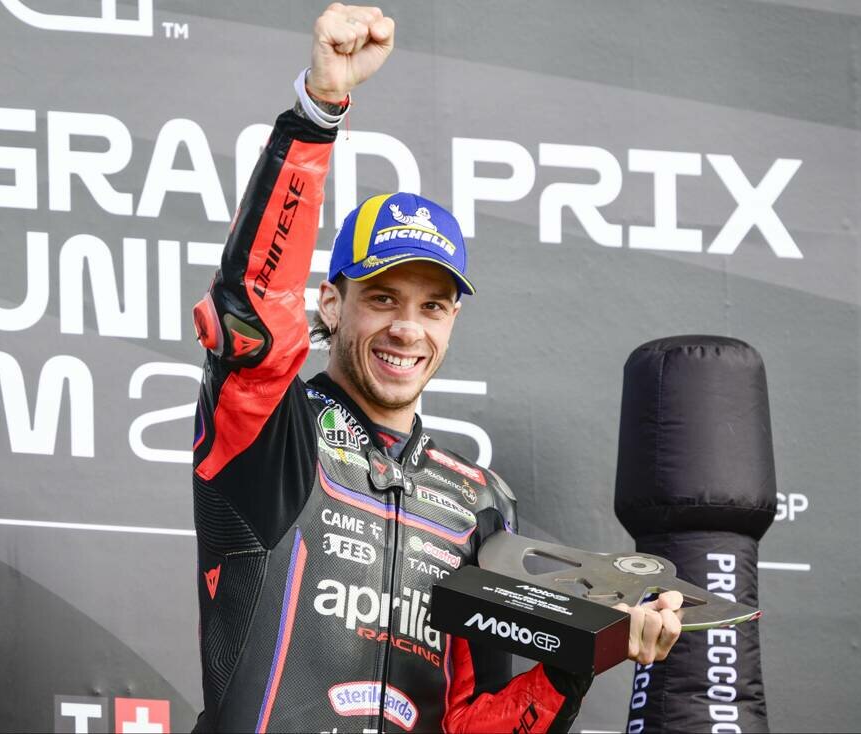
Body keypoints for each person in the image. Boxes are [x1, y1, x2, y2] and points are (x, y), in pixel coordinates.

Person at [190, 4, 682, 732]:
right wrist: (317, 113)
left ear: (453, 321)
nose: (407, 327)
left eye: (433, 306)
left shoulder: (479, 503)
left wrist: (577, 661)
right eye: (382, 297)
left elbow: (468, 722)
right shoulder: (271, 433)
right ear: (331, 303)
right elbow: (251, 310)